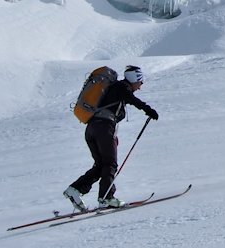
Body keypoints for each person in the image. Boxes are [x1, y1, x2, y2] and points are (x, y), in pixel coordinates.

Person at [63, 65, 159, 210]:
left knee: (101, 165)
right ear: (135, 79)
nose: (140, 86)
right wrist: (149, 110)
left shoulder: (114, 88)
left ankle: (75, 190)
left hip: (92, 129)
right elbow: (133, 100)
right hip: (104, 128)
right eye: (140, 81)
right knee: (110, 164)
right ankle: (106, 198)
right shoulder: (122, 88)